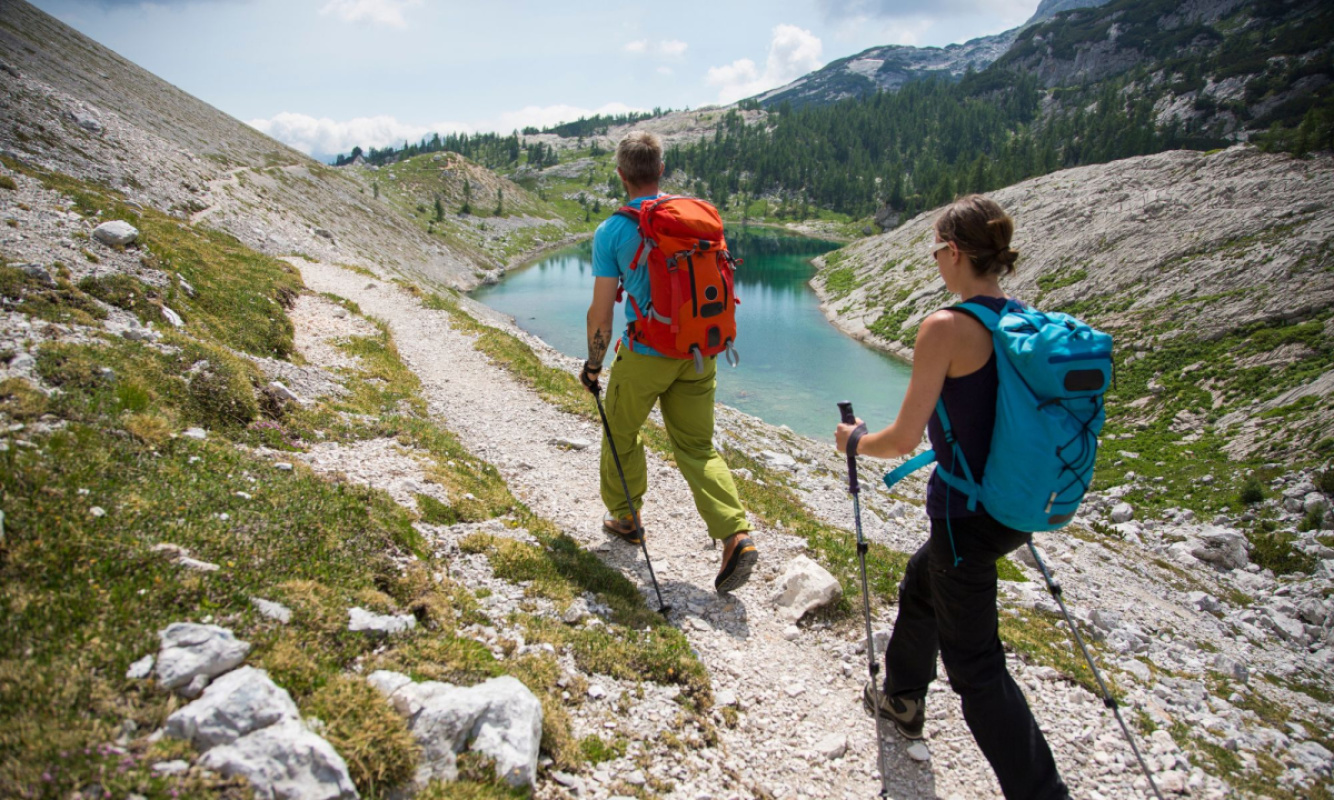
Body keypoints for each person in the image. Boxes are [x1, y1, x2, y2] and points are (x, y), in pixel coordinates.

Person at [835, 194, 1070, 800]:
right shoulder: (1018, 319)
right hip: (1011, 506)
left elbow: (903, 440)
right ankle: (903, 698)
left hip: (967, 515)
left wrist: (854, 441)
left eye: (937, 248)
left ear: (957, 251)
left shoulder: (945, 327)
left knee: (978, 670)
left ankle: (1043, 792)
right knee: (924, 580)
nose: (935, 260)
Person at [580, 130, 758, 594]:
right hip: (699, 351)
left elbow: (601, 312)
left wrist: (594, 364)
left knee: (621, 432)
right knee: (697, 447)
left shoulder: (613, 231)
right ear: (661, 170)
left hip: (645, 354)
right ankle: (735, 535)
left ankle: (627, 517)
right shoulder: (694, 218)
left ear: (621, 174)